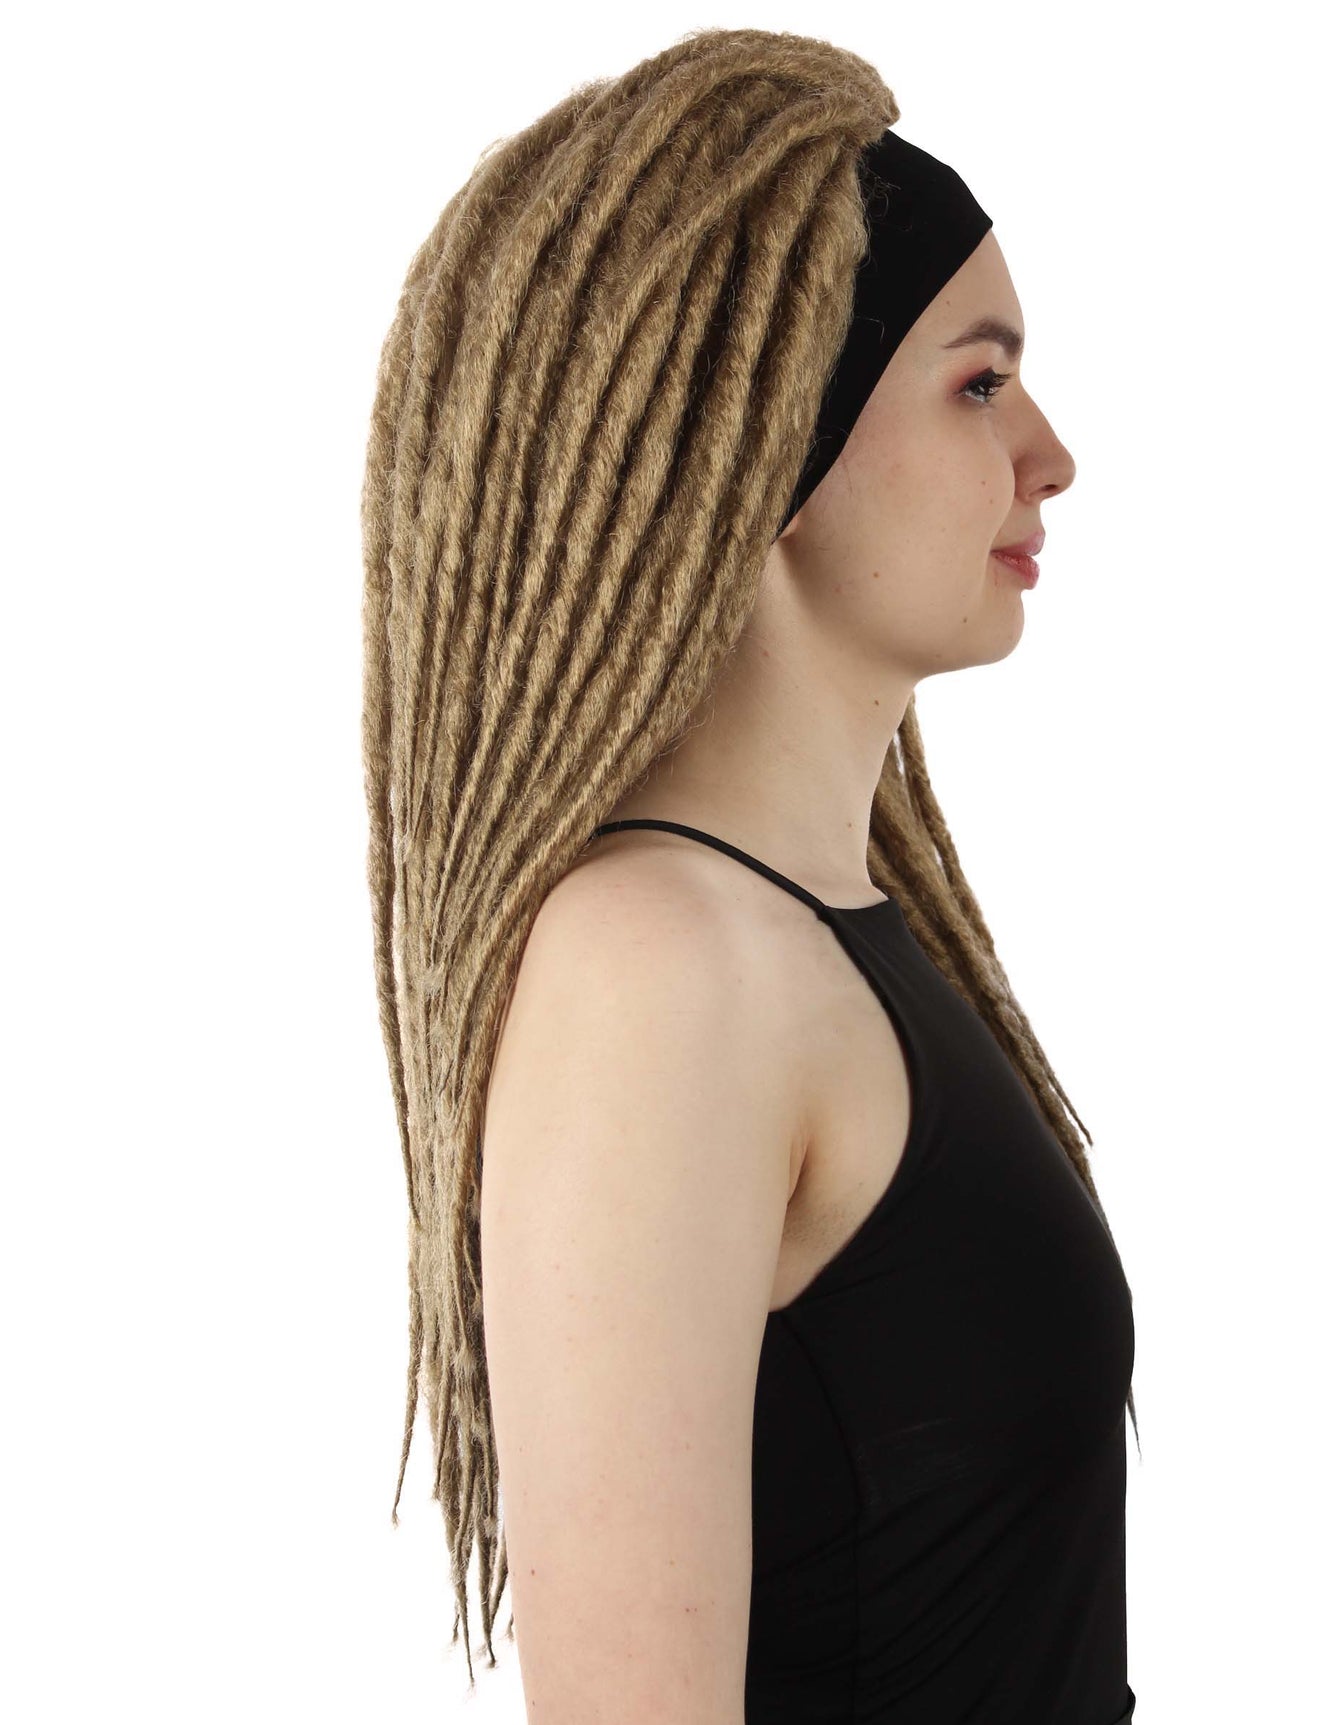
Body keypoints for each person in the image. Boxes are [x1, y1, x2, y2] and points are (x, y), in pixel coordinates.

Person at [360, 24, 1138, 1722]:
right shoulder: (659, 970)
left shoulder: (813, 937)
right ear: (763, 438)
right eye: (978, 384)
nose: (1050, 452)